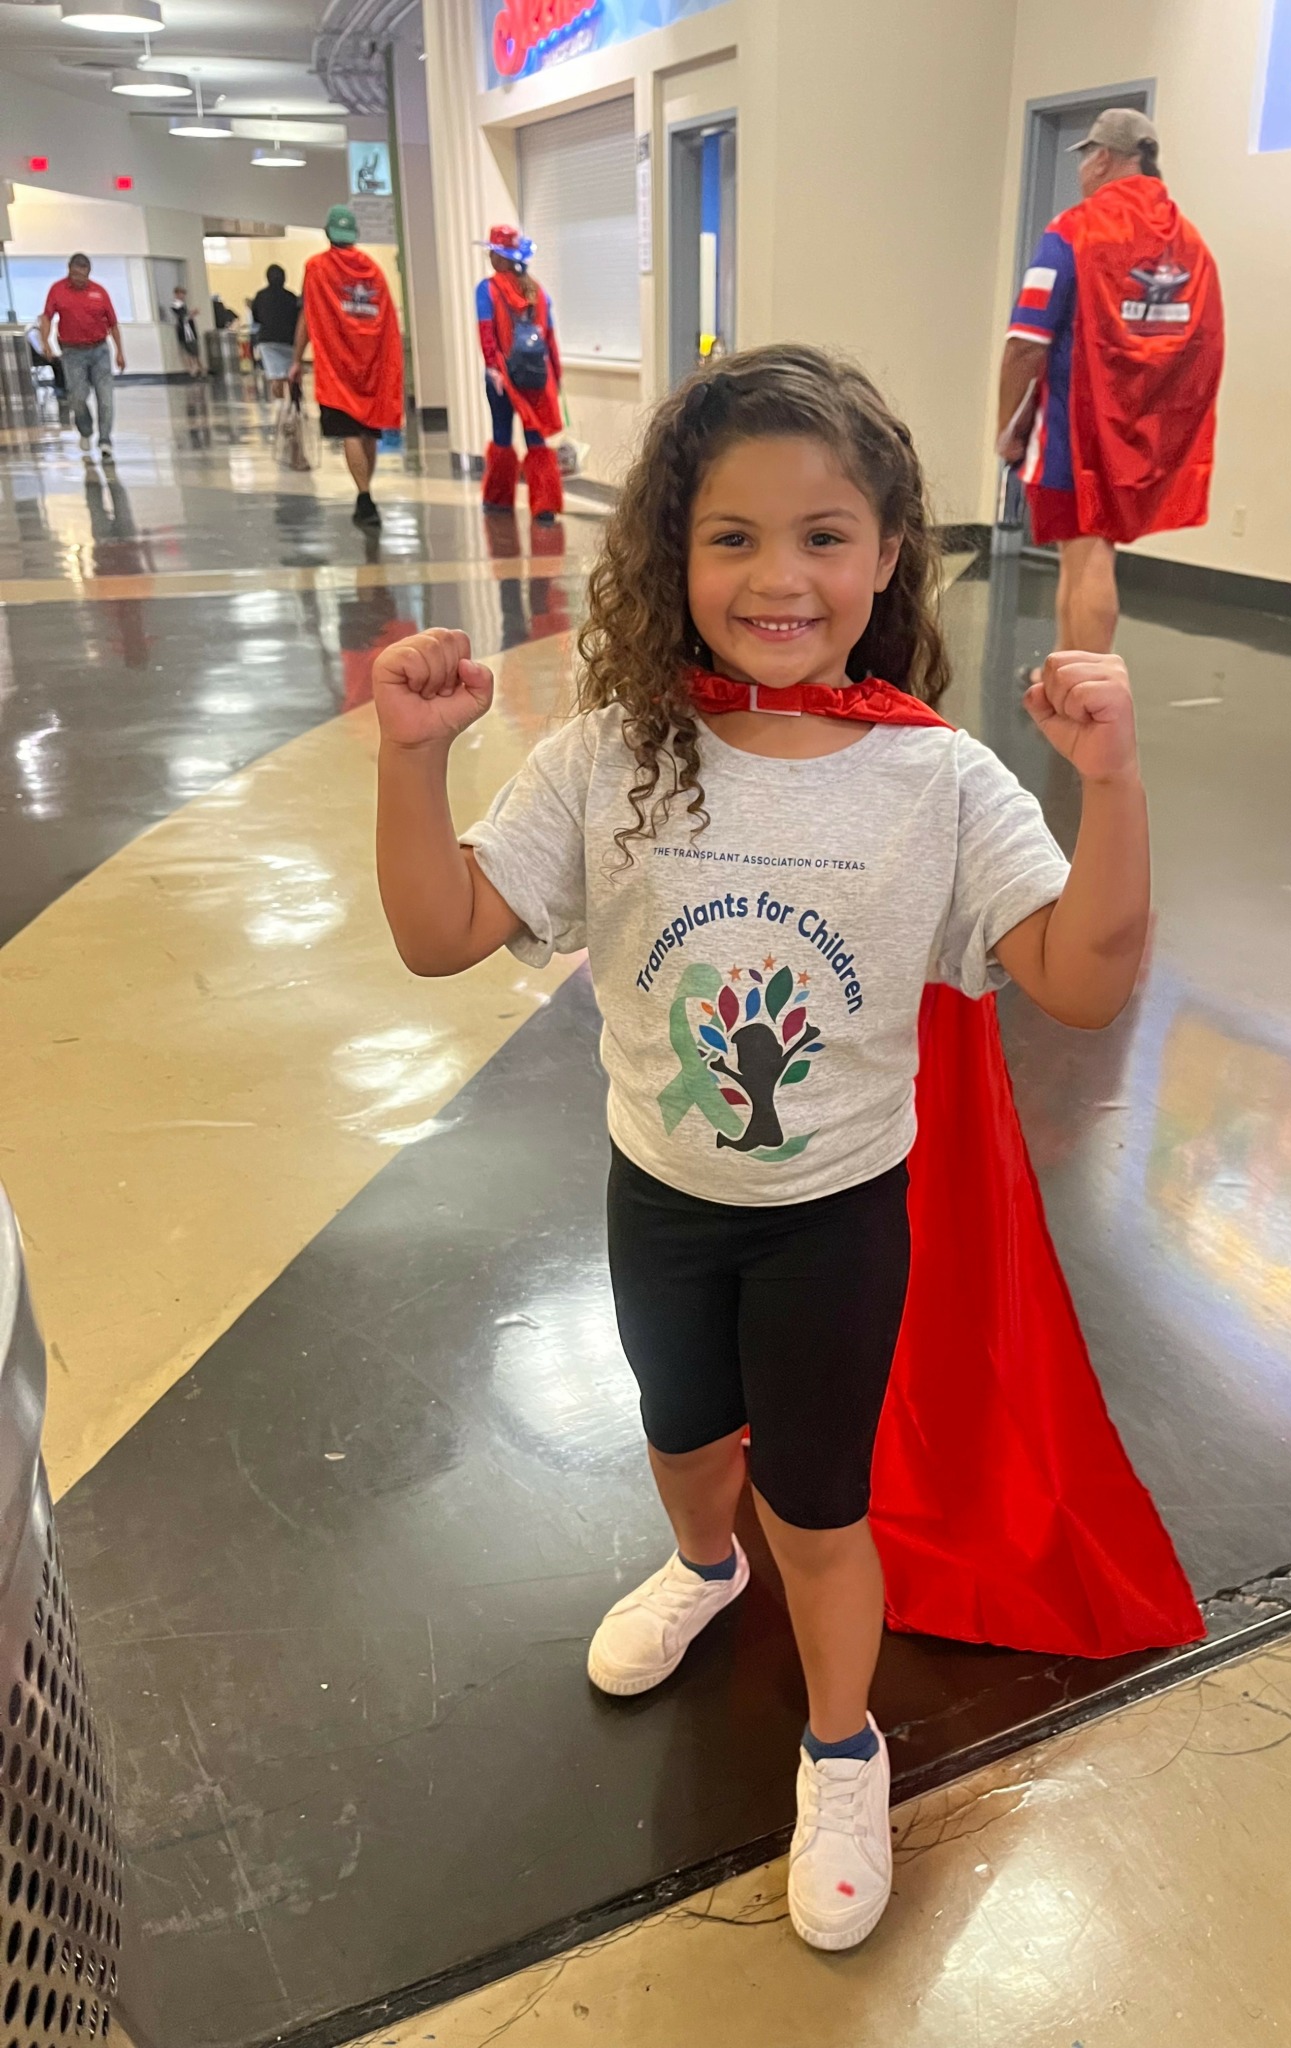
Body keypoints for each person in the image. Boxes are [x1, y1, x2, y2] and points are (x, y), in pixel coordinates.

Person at [371, 343, 1184, 1953]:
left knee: (817, 1509)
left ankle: (841, 1745)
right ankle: (701, 1569)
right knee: (683, 1439)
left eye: (824, 535)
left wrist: (1113, 785)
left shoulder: (936, 779)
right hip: (659, 1197)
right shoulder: (612, 753)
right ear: (672, 554)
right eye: (731, 535)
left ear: (889, 557)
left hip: (835, 1217)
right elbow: (439, 930)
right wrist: (411, 760)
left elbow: (1085, 983)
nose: (779, 576)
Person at [997, 109, 1223, 689]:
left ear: (1101, 159)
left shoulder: (1074, 230)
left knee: (1088, 555)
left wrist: (1007, 425)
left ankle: (1086, 691)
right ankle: (1059, 673)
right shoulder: (1189, 242)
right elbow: (1200, 343)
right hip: (1144, 431)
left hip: (1077, 425)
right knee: (1084, 554)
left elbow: (1025, 343)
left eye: (1086, 159)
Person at [289, 204, 404, 528]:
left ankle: (364, 497)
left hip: (337, 367)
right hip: (372, 365)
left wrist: (296, 359)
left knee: (349, 431)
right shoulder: (373, 270)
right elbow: (387, 321)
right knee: (368, 432)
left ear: (328, 233)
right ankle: (366, 494)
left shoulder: (317, 268)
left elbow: (308, 317)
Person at [475, 225, 564, 522]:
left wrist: (493, 368)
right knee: (536, 437)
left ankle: (499, 499)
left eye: (492, 252)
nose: (490, 257)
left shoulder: (486, 290)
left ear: (500, 257)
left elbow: (486, 334)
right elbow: (550, 338)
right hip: (537, 377)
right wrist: (556, 377)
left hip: (502, 375)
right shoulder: (539, 292)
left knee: (502, 434)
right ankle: (545, 506)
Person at [39, 253, 126, 461]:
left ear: (89, 272)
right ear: (69, 270)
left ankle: (105, 440)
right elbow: (47, 318)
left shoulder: (99, 292)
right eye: (75, 275)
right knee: (77, 397)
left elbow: (113, 324)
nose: (79, 279)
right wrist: (45, 342)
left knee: (105, 397)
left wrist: (120, 352)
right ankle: (85, 430)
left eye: (83, 276)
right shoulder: (57, 290)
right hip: (72, 352)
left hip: (99, 350)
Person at [250, 263, 301, 398]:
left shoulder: (260, 296)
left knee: (275, 376)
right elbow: (298, 320)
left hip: (267, 341)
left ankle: (279, 403)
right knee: (291, 374)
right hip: (288, 341)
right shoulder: (291, 297)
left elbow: (256, 318)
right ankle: (293, 403)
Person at [168, 285, 204, 378]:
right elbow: (183, 318)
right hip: (185, 331)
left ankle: (198, 368)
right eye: (181, 294)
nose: (182, 296)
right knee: (191, 350)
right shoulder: (175, 306)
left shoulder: (182, 305)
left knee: (194, 350)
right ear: (176, 294)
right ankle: (194, 369)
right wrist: (192, 314)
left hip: (189, 330)